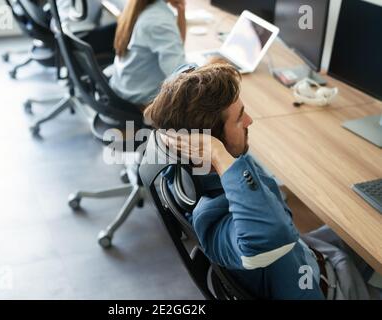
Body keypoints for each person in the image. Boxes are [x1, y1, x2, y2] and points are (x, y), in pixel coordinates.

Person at [143, 62, 382, 300]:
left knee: (367, 225)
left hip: (305, 257)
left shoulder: (190, 173)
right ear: (209, 142)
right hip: (328, 287)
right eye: (238, 119)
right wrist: (220, 155)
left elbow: (172, 96)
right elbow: (270, 235)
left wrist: (198, 80)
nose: (249, 121)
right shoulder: (214, 220)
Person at [109, 0, 187, 106]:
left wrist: (181, 11)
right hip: (137, 103)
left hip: (122, 88)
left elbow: (177, 43)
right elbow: (180, 76)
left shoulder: (142, 7)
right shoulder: (159, 20)